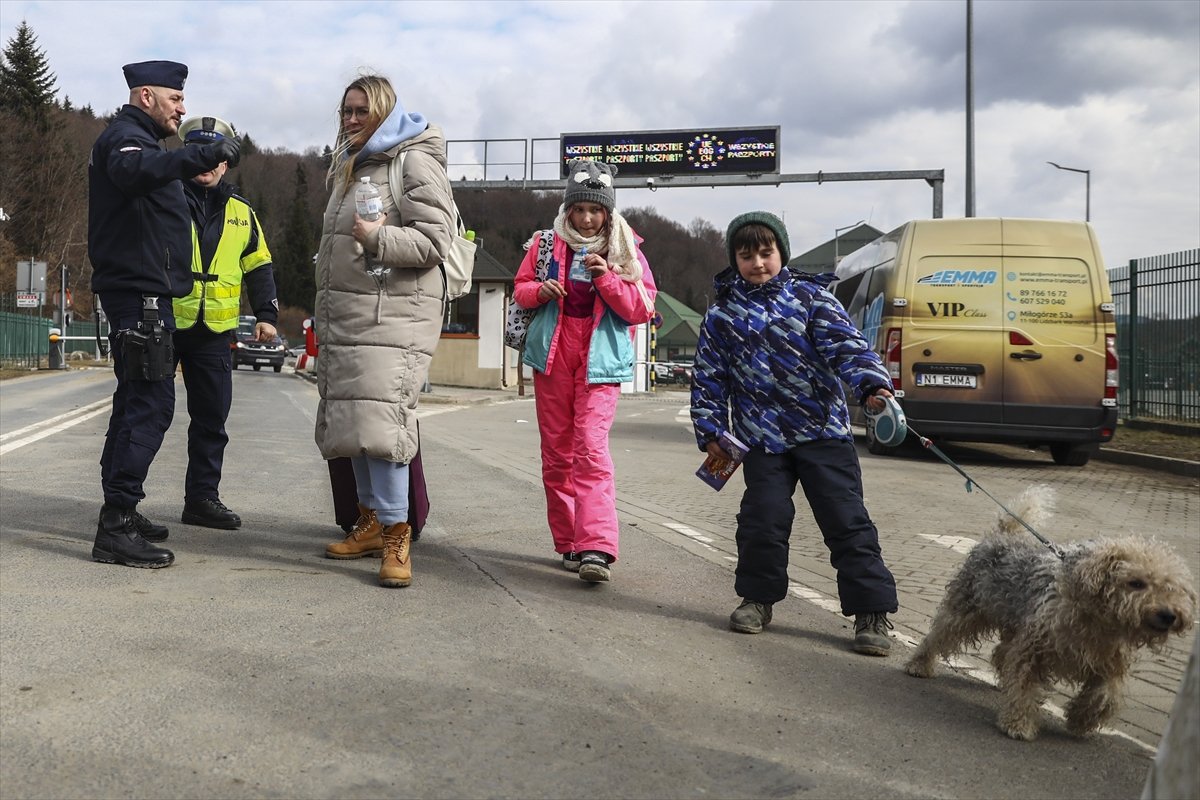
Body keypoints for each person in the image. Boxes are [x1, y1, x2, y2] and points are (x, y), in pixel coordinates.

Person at [689, 211, 899, 655]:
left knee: (846, 521)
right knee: (761, 521)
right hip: (762, 440)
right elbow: (709, 378)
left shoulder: (811, 298)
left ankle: (872, 613)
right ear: (735, 259)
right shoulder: (722, 314)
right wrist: (709, 428)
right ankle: (757, 600)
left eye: (766, 253)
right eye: (746, 256)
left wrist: (873, 386)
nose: (758, 263)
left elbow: (848, 347)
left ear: (781, 253)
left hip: (823, 433)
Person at [88, 60, 240, 568]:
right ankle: (115, 524)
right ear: (146, 96)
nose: (183, 107)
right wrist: (191, 156)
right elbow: (133, 173)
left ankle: (122, 513)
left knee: (135, 399)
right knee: (151, 405)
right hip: (139, 294)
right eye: (175, 99)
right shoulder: (125, 141)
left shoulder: (145, 143)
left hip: (149, 292)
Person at [314, 74, 454, 588]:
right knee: (354, 423)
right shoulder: (352, 167)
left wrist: (377, 239)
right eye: (345, 111)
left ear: (384, 112)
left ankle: (399, 533)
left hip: (392, 316)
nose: (350, 120)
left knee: (383, 425)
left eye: (360, 111)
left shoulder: (410, 161)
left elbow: (435, 240)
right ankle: (370, 521)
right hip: (350, 315)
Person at [511, 159, 657, 583]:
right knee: (557, 455)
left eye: (596, 210)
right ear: (568, 210)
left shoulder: (625, 249)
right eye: (580, 209)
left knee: (590, 448)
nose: (588, 218)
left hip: (601, 358)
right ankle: (570, 542)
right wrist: (541, 291)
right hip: (553, 355)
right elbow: (521, 288)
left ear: (608, 213)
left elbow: (641, 308)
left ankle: (597, 546)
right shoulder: (544, 244)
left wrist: (608, 279)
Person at [173, 115, 278, 530]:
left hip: (214, 333)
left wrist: (267, 315)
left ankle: (201, 499)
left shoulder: (243, 213)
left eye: (215, 156)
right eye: (199, 153)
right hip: (166, 322)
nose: (207, 163)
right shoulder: (164, 197)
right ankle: (128, 504)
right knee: (147, 414)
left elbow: (260, 266)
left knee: (212, 420)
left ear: (226, 163)